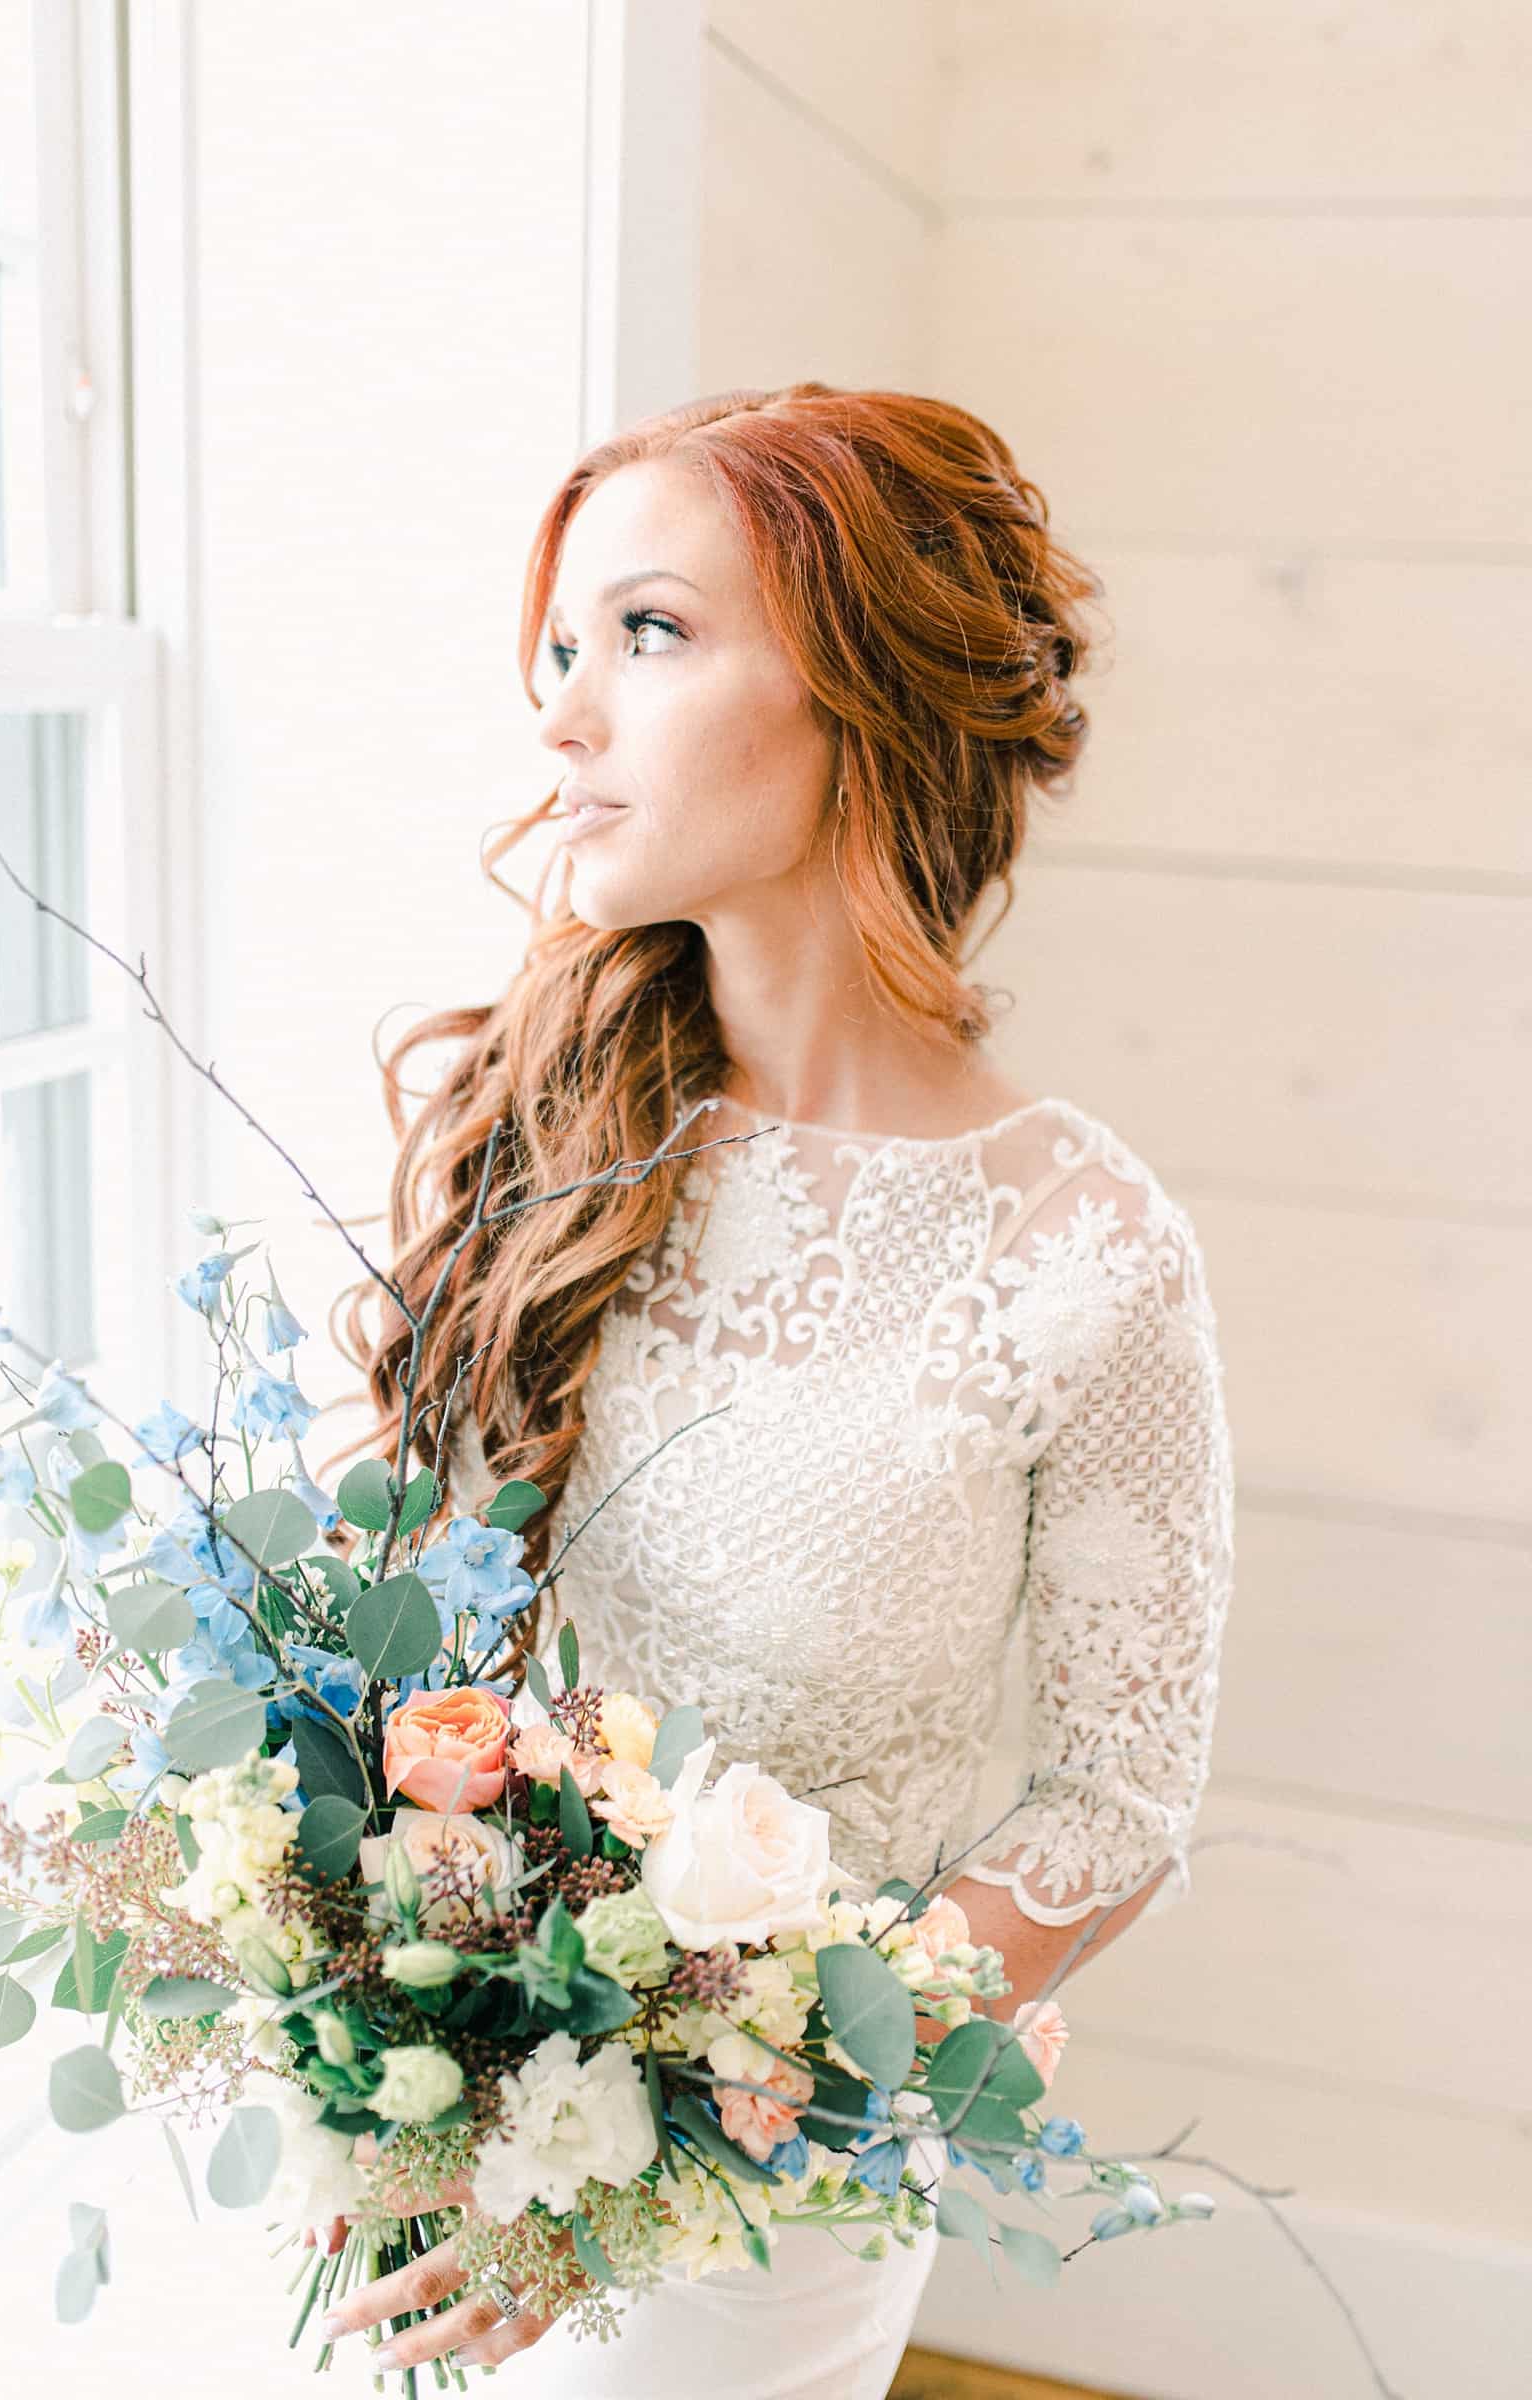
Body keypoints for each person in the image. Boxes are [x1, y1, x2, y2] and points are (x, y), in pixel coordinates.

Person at [311, 381, 1236, 2393]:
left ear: (863, 683)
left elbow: (1117, 1797)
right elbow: (387, 1622)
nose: (563, 715)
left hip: (754, 2212)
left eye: (645, 634)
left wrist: (682, 2136)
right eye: (559, 652)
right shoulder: (532, 1129)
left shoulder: (1081, 1253)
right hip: (427, 2122)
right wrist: (381, 2027)